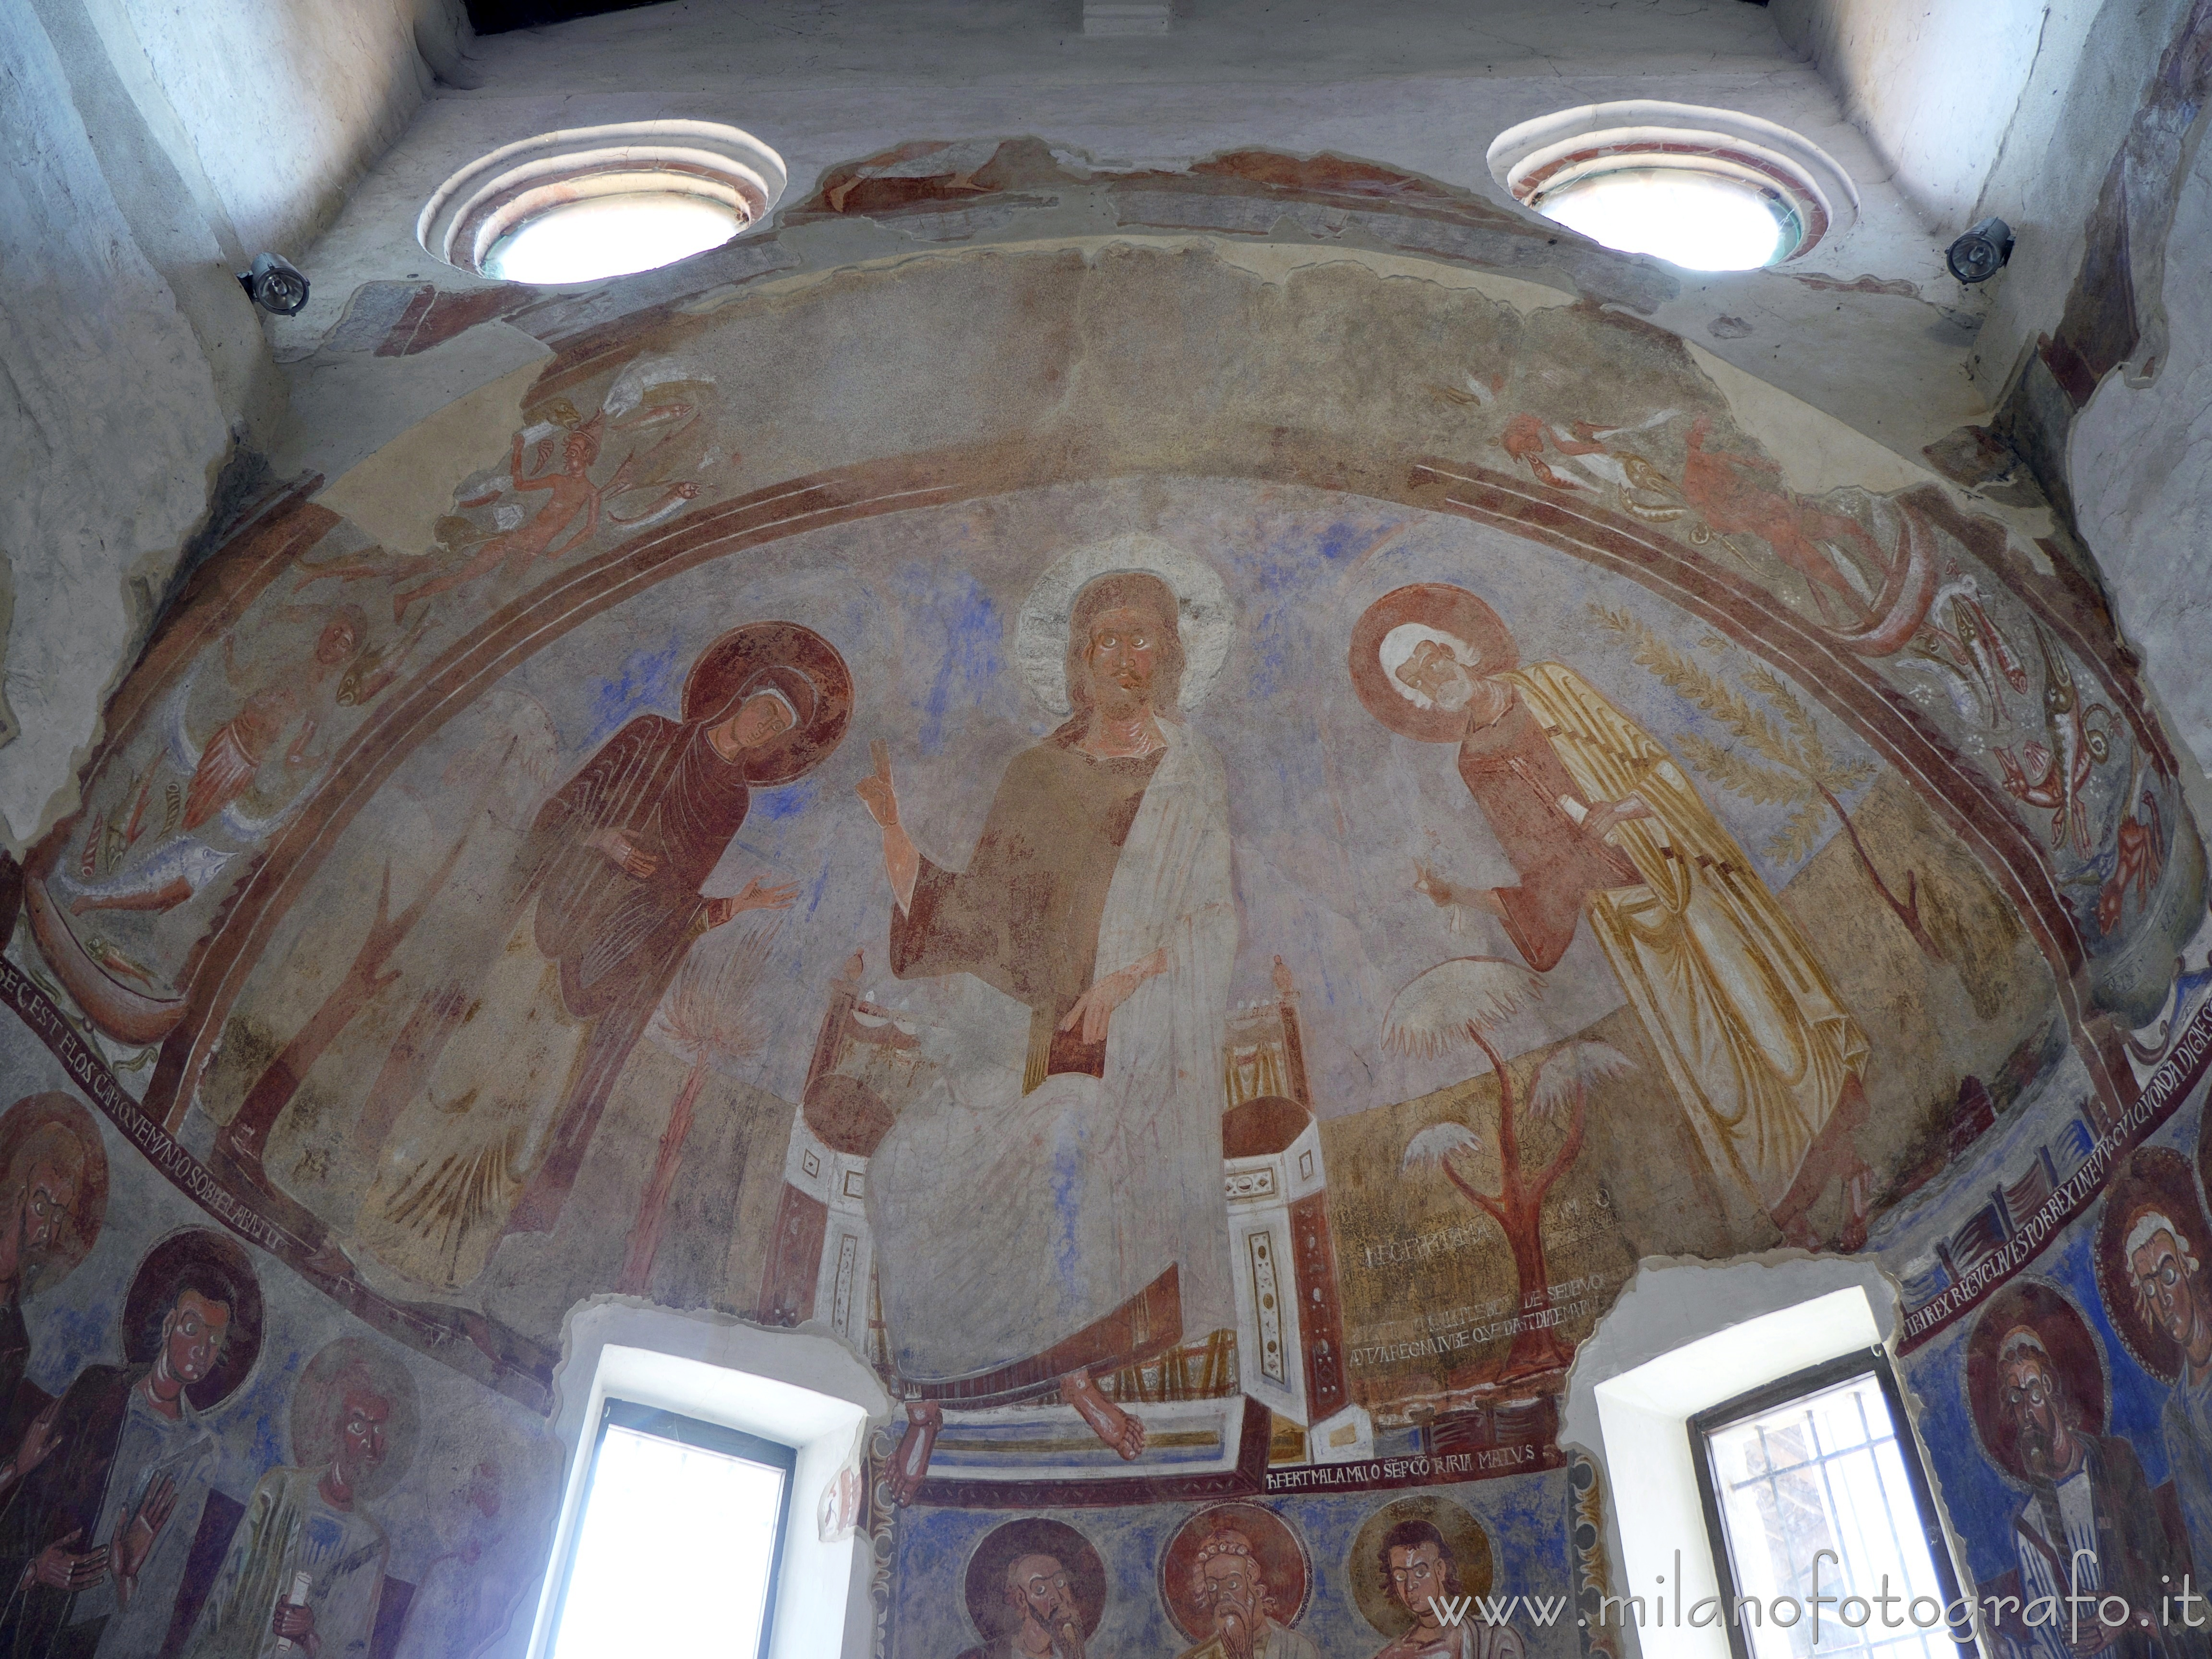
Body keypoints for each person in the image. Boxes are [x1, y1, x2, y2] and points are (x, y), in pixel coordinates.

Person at [858, 571, 1238, 1501]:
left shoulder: (1190, 776)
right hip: (1018, 1036)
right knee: (905, 1160)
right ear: (1076, 665)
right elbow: (985, 917)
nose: (1123, 656)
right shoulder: (1035, 773)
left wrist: (1128, 979)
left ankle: (1076, 1368)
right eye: (1103, 639)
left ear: (1170, 659)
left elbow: (1211, 917)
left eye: (1142, 637)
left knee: (1067, 1137)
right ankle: (924, 1398)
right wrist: (901, 845)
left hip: (1134, 1043)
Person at [1355, 585, 1874, 1249]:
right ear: (1419, 699)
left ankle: (1854, 1167)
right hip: (1625, 918)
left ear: (1457, 646)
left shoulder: (1551, 687)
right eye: (1415, 677)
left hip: (1674, 868)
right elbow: (1540, 869)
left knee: (1771, 1022)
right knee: (1715, 1070)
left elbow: (1650, 760)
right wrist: (1462, 896)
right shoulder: (1474, 762)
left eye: (1432, 654)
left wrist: (1621, 809)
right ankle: (1791, 1212)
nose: (1434, 674)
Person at [346, 624, 847, 1287]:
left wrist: (732, 908)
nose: (763, 727)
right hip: (550, 924)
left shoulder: (729, 804)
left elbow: (673, 902)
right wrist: (599, 839)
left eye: (778, 727)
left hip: (603, 969)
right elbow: (557, 812)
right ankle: (378, 1221)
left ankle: (451, 1259)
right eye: (764, 708)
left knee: (527, 1109)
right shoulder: (649, 736)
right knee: (465, 1065)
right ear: (741, 697)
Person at [0, 1269, 237, 1659]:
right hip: (33, 1608)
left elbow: (165, 1584)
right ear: (168, 1325)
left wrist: (126, 1579)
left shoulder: (200, 1451)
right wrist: (31, 1566)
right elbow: (27, 1505)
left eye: (216, 1341)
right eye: (193, 1329)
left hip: (92, 1635)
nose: (202, 1349)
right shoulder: (100, 1389)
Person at [184, 1349, 399, 1659]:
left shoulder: (372, 1544)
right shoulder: (280, 1490)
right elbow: (227, 1597)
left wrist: (310, 1633)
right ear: (335, 1429)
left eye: (378, 1429)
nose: (369, 1443)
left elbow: (353, 1647)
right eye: (358, 1426)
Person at [1999, 1326, 2183, 1659]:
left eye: (2034, 1392)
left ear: (2052, 1391)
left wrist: (2128, 1616)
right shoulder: (2029, 1527)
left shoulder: (2115, 1462)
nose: (2027, 1410)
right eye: (2016, 1398)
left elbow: (2161, 1567)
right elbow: (2049, 1635)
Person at [2125, 1209, 2212, 1570]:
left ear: (2189, 1269)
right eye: (2150, 1286)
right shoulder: (2176, 1415)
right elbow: (2202, 1532)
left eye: (2169, 1275)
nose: (2163, 1298)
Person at [1370, 1520, 1524, 1659]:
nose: (1410, 1586)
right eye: (1400, 1576)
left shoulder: (1493, 1640)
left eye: (1420, 1572)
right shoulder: (1391, 1656)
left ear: (1440, 1569)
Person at [1174, 1530, 1319, 1659]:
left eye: (1233, 1584)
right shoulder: (1197, 1656)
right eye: (1212, 1587)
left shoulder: (1296, 1649)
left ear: (1254, 1582)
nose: (1222, 1596)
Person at [956, 1552, 1090, 1659]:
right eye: (1040, 1589)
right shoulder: (981, 1657)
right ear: (1021, 1600)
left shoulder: (1071, 1652)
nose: (1058, 1598)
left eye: (1060, 1582)